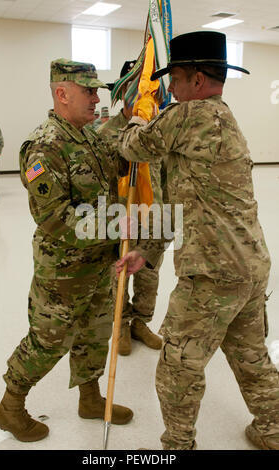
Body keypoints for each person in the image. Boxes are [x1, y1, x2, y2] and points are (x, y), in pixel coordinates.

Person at [116, 31, 279, 450]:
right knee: (251, 358)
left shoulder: (191, 115)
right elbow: (180, 202)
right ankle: (273, 429)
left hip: (212, 275)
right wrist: (146, 253)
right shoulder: (222, 118)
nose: (170, 87)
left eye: (177, 78)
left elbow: (132, 146)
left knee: (178, 367)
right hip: (248, 269)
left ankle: (178, 447)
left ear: (199, 80)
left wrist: (136, 115)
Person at [0, 58, 133, 443]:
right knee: (48, 340)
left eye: (98, 91)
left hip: (99, 264)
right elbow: (54, 218)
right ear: (62, 93)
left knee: (96, 333)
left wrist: (133, 119)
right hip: (64, 274)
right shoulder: (44, 146)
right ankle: (10, 406)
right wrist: (119, 227)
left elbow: (114, 162)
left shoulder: (88, 135)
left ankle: (90, 398)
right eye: (89, 91)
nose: (96, 98)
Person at [98, 60, 163, 356]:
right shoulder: (104, 133)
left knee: (149, 272)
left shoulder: (157, 129)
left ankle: (141, 321)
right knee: (120, 272)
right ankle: (121, 323)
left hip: (154, 216)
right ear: (124, 93)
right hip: (119, 216)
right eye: (135, 91)